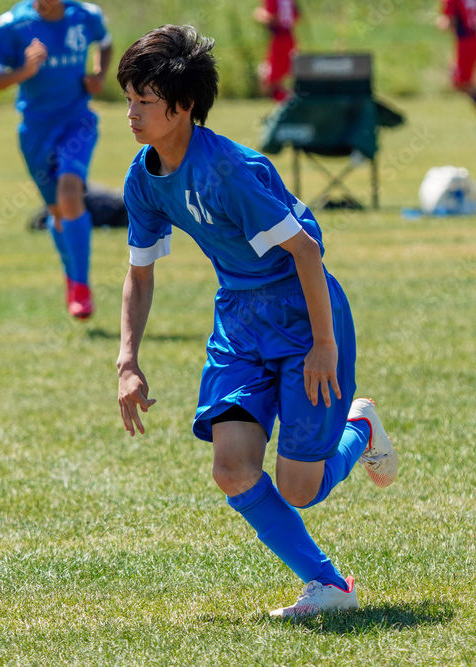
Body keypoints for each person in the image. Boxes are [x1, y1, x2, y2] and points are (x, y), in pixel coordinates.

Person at [115, 25, 399, 617]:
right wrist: (128, 361)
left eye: (145, 100)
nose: (132, 113)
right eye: (130, 98)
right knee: (231, 467)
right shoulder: (143, 179)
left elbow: (306, 253)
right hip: (239, 322)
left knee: (300, 487)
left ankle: (361, 430)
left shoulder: (228, 173)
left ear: (184, 105)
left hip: (301, 314)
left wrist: (324, 345)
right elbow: (140, 274)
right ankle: (330, 587)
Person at [0, 0, 112, 320]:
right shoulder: (12, 24)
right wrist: (25, 71)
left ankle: (81, 285)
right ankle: (72, 274)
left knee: (69, 194)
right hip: (35, 130)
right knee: (56, 211)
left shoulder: (86, 15)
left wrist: (99, 75)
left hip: (78, 121)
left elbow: (105, 43)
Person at [254, 0, 299, 101]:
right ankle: (289, 103)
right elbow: (296, 15)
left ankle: (290, 105)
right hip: (287, 38)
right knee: (274, 81)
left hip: (281, 38)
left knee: (270, 82)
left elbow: (274, 18)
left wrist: (260, 14)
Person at [438, 0, 476, 109]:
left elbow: (450, 22)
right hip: (469, 40)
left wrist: (441, 23)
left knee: (460, 81)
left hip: (468, 40)